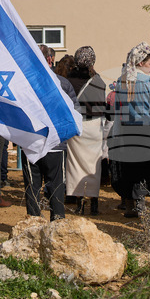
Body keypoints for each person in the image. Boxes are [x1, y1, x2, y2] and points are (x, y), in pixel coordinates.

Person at [108, 42, 150, 219]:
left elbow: (118, 111)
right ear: (140, 63)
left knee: (130, 171)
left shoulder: (122, 81)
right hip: (148, 133)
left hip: (126, 133)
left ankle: (132, 205)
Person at [22, 45, 78, 221]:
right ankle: (58, 220)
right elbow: (75, 111)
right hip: (53, 142)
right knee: (56, 183)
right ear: (49, 59)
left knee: (33, 184)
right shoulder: (62, 83)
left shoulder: (23, 83)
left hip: (32, 141)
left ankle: (33, 221)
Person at [65, 46, 109, 216]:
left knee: (75, 165)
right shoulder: (98, 81)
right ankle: (94, 203)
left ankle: (79, 204)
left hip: (77, 126)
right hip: (95, 126)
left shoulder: (70, 80)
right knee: (94, 166)